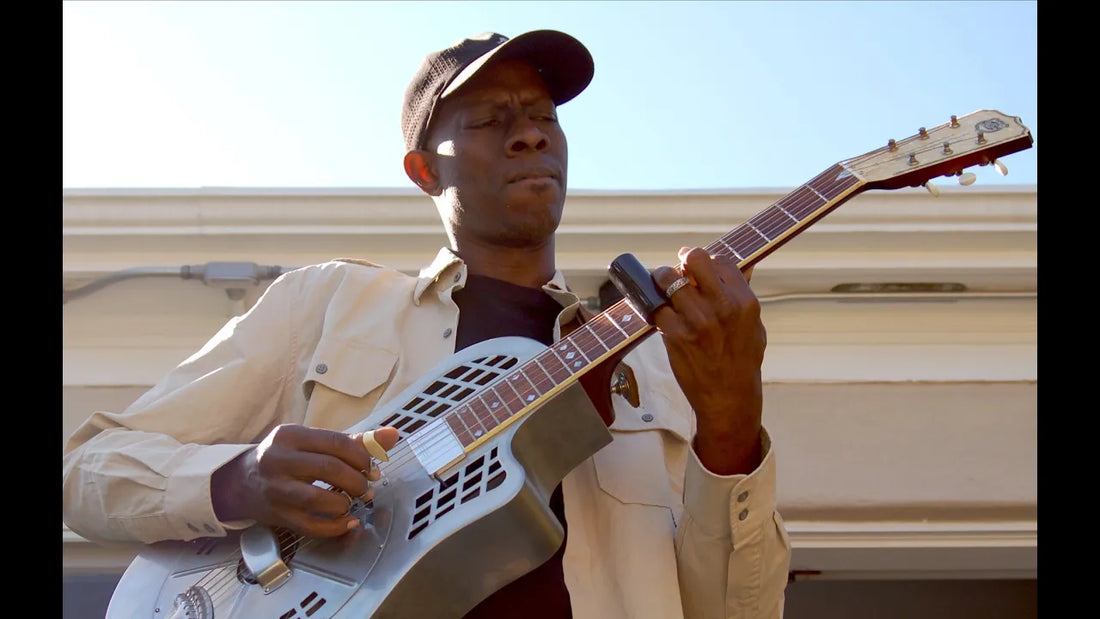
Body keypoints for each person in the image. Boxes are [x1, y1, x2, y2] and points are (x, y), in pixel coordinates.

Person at [62, 29, 791, 618]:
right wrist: (237, 479)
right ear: (422, 171)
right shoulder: (326, 304)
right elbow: (85, 470)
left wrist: (730, 424)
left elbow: (739, 610)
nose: (530, 136)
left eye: (543, 117)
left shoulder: (660, 364)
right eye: (490, 120)